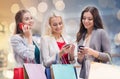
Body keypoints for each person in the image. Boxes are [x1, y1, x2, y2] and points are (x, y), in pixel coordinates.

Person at [76, 6, 111, 79]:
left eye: (90, 19)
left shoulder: (101, 33)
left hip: (99, 74)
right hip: (85, 75)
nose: (86, 21)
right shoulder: (81, 35)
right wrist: (80, 57)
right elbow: (80, 62)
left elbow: (108, 57)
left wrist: (92, 52)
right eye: (84, 18)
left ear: (95, 20)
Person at [41, 13, 75, 79]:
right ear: (49, 26)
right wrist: (60, 54)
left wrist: (71, 54)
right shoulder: (45, 39)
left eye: (60, 23)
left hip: (69, 73)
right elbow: (45, 63)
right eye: (55, 25)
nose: (58, 26)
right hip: (55, 74)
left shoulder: (67, 38)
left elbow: (72, 62)